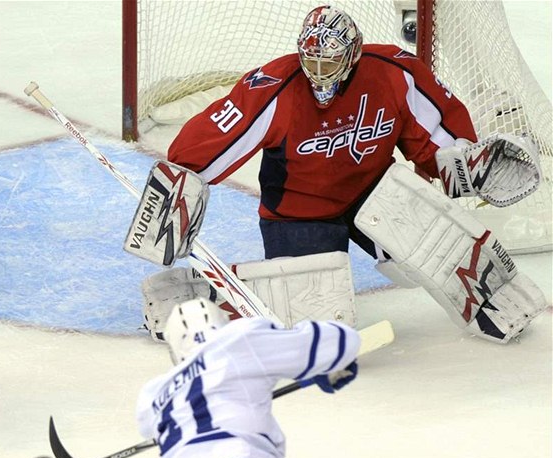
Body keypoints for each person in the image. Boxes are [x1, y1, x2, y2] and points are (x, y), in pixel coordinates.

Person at [131, 5, 545, 344]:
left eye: (329, 61)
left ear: (352, 54)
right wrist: (178, 184)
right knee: (313, 316)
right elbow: (213, 141)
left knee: (431, 244)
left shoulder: (394, 72)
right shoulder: (274, 87)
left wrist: (472, 165)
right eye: (311, 60)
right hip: (299, 213)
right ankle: (187, 296)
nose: (319, 72)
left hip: (374, 192)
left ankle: (494, 293)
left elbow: (436, 140)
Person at [136, 297, 360, 458]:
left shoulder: (152, 395)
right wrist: (322, 366)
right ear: (223, 324)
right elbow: (344, 341)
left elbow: (149, 427)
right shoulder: (241, 339)